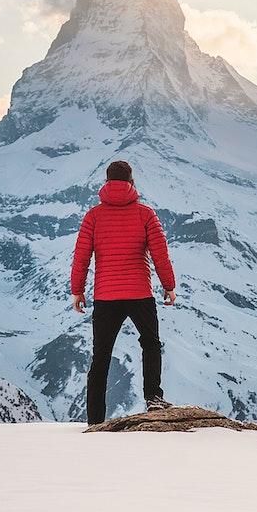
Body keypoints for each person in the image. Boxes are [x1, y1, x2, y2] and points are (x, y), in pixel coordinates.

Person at [71, 160, 177, 425]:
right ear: (131, 182)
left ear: (106, 182)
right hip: (139, 293)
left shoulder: (93, 216)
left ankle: (95, 419)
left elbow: (81, 256)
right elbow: (160, 254)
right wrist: (169, 286)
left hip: (106, 297)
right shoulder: (145, 214)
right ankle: (153, 397)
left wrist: (77, 290)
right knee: (150, 344)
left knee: (101, 356)